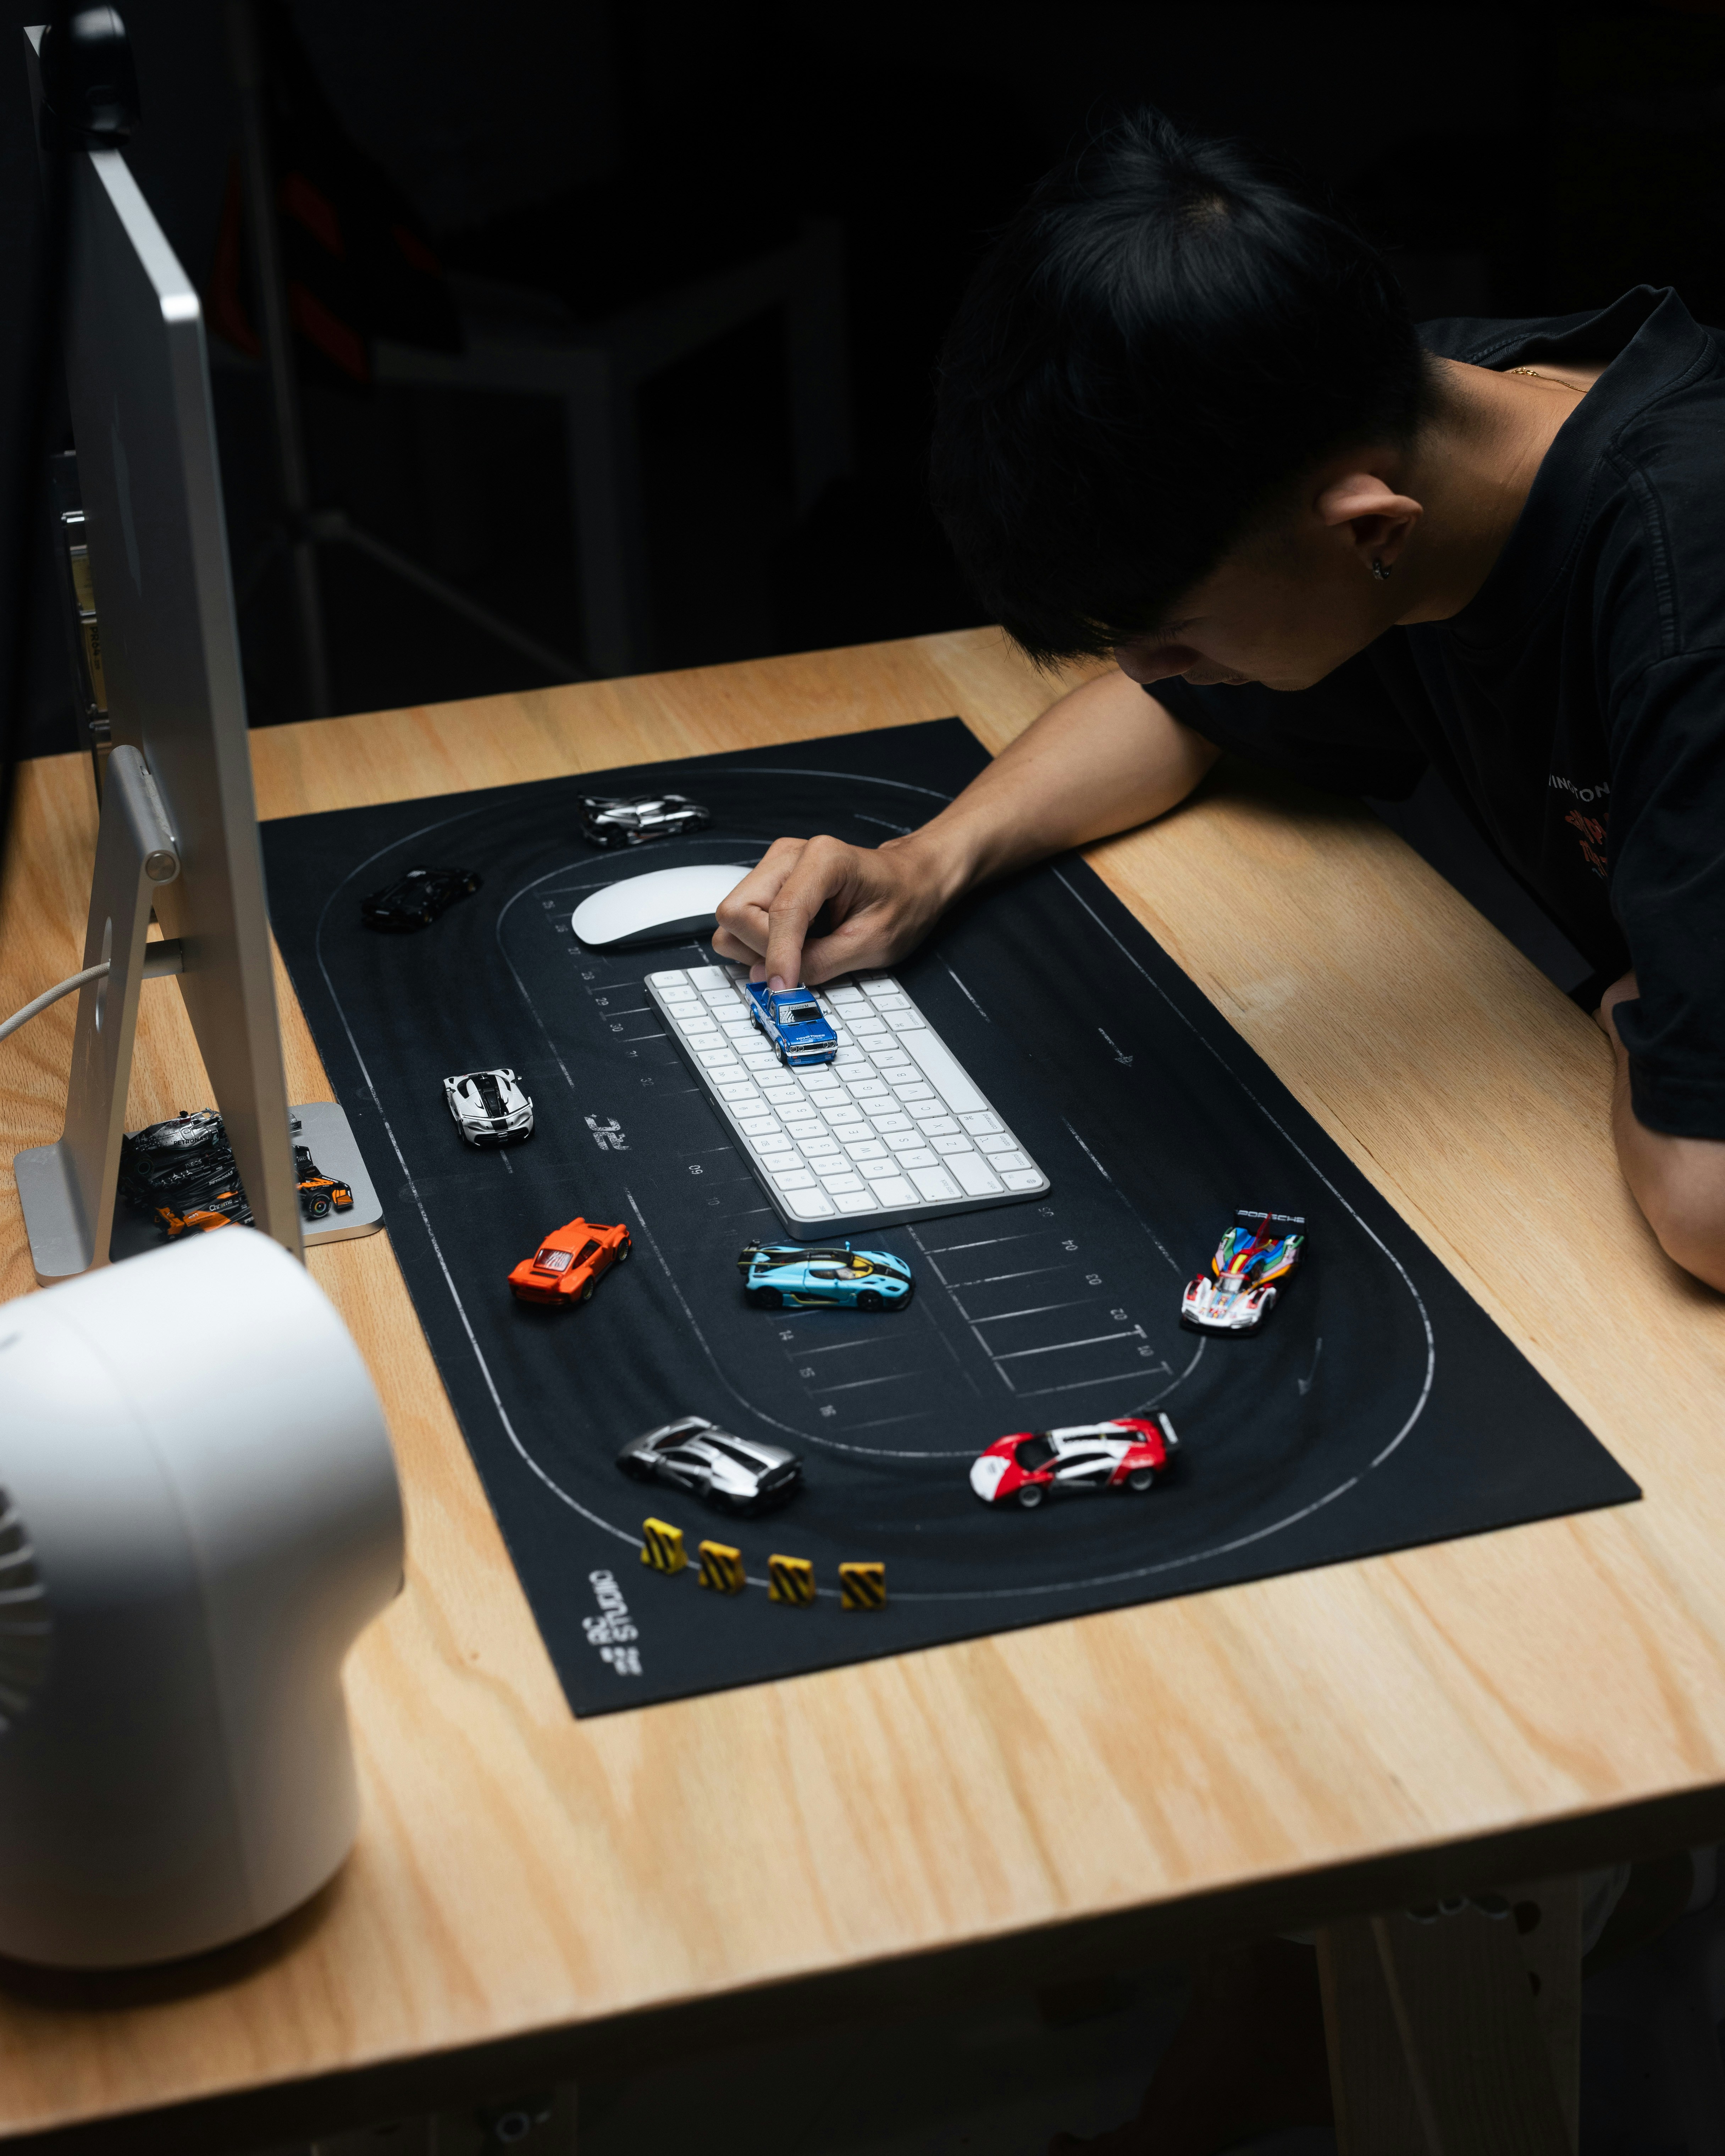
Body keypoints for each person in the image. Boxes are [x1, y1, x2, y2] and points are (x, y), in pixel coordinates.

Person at [713, 106, 1725, 1292]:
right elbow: (1172, 713)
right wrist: (927, 864)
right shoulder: (1388, 427)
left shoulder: (1687, 607)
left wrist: (1627, 1013)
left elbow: (1707, 1207)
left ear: (1370, 532)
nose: (1145, 670)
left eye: (1178, 635)